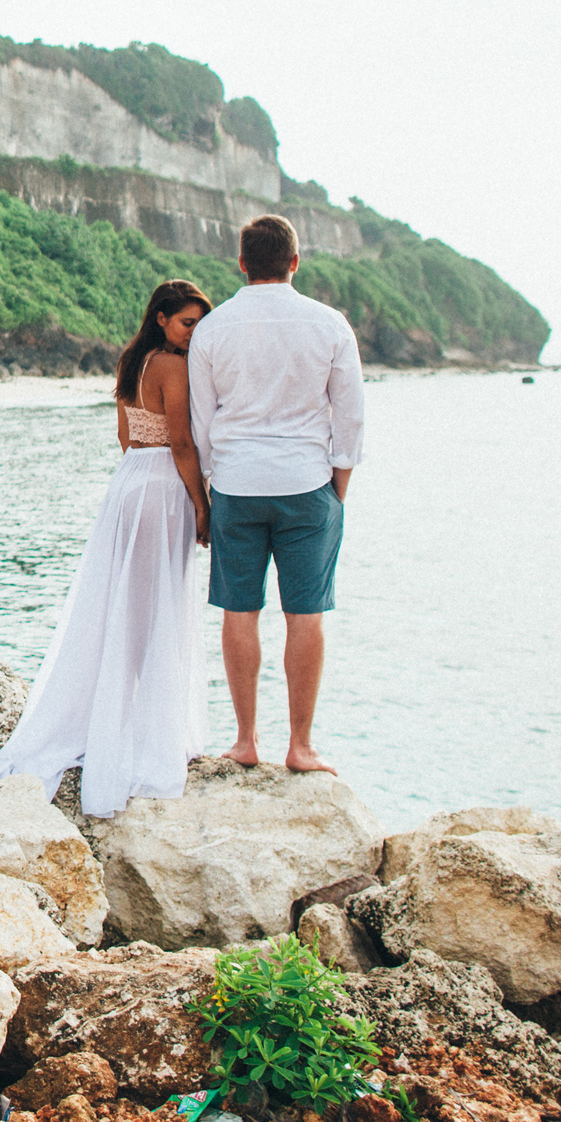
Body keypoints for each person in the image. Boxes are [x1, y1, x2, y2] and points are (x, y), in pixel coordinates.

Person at [0, 279, 215, 815]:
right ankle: (142, 735)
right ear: (162, 319)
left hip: (128, 480)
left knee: (121, 604)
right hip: (161, 484)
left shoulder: (134, 361)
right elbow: (180, 442)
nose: (194, 335)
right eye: (187, 323)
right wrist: (202, 505)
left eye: (200, 324)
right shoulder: (173, 367)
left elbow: (126, 436)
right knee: (154, 610)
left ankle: (111, 720)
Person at [187, 214, 364, 774]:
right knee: (305, 614)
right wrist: (338, 484)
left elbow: (201, 420)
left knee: (240, 612)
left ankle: (244, 741)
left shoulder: (213, 329)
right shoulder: (329, 323)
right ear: (294, 262)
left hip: (236, 486)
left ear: (241, 262)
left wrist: (213, 485)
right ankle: (301, 747)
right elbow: (351, 415)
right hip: (307, 484)